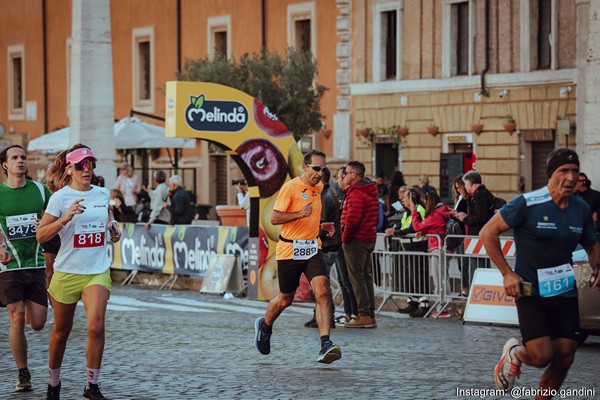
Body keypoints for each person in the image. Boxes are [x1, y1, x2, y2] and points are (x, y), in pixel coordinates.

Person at [479, 148, 600, 395]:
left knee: (566, 353)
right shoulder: (527, 203)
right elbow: (487, 233)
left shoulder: (581, 209)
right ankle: (516, 353)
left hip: (564, 290)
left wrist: (598, 267)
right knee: (541, 355)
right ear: (551, 174)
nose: (570, 177)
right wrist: (506, 273)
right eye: (563, 171)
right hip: (531, 291)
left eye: (575, 171)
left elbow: (591, 244)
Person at [36, 144, 121, 400]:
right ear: (70, 169)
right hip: (67, 271)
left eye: (91, 164)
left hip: (96, 270)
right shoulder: (59, 198)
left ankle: (91, 387)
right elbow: (41, 235)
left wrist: (113, 228)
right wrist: (66, 218)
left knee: (96, 326)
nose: (87, 170)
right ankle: (53, 383)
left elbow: (108, 219)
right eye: (82, 165)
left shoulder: (102, 193)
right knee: (61, 331)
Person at [254, 150, 342, 364]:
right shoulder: (290, 187)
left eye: (323, 169)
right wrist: (299, 214)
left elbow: (312, 217)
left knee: (322, 291)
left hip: (313, 248)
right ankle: (265, 326)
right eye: (316, 169)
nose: (320, 173)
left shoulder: (319, 187)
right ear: (305, 167)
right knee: (286, 299)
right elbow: (274, 218)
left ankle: (325, 344)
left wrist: (323, 226)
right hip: (289, 250)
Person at [0, 145, 51, 393]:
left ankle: (24, 364)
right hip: (9, 265)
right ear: (5, 165)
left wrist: (47, 223)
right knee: (16, 318)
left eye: (23, 157)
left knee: (38, 323)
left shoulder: (41, 190)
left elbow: (56, 216)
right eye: (15, 158)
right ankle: (23, 372)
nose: (20, 161)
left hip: (37, 263)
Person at [340, 161, 379, 328]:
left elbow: (352, 220)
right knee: (365, 276)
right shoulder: (370, 191)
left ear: (354, 175)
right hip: (368, 237)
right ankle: (369, 313)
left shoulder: (357, 194)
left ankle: (363, 314)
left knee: (357, 277)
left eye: (347, 173)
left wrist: (344, 237)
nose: (344, 176)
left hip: (356, 239)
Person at [384, 186, 429, 316]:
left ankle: (424, 304)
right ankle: (413, 302)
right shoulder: (407, 212)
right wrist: (393, 229)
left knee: (418, 276)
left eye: (405, 197)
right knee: (409, 277)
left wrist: (396, 232)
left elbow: (413, 229)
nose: (402, 199)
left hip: (417, 248)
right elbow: (403, 225)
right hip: (408, 248)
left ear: (411, 198)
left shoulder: (418, 210)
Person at [304, 168, 339, 329]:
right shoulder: (326, 195)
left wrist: (313, 242)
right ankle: (320, 315)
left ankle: (326, 317)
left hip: (325, 246)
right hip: (326, 245)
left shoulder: (325, 197)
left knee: (320, 284)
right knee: (319, 283)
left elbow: (323, 224)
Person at [407, 190, 451, 318]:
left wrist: (413, 211)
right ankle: (443, 306)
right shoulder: (442, 211)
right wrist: (425, 231)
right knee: (442, 277)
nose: (424, 204)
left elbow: (417, 226)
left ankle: (443, 307)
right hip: (441, 247)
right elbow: (432, 228)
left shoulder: (434, 215)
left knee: (439, 279)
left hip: (438, 248)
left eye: (425, 201)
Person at [333, 167, 358, 326]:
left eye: (339, 177)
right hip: (336, 241)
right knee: (342, 281)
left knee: (348, 281)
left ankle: (355, 313)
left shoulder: (348, 197)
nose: (337, 180)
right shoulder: (337, 196)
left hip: (344, 242)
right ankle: (348, 312)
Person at [575, 172, 600, 238]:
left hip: (591, 230)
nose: (583, 183)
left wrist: (596, 213)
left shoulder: (595, 195)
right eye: (580, 181)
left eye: (584, 181)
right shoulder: (571, 196)